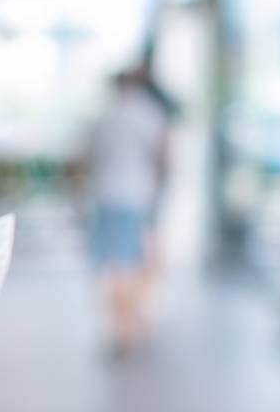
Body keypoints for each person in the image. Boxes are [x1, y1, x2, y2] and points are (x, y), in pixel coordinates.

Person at [79, 68, 172, 355]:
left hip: (106, 196)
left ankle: (122, 327)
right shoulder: (149, 115)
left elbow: (87, 157)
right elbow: (165, 155)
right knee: (133, 263)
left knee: (114, 266)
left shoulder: (105, 117)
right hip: (136, 197)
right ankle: (130, 326)